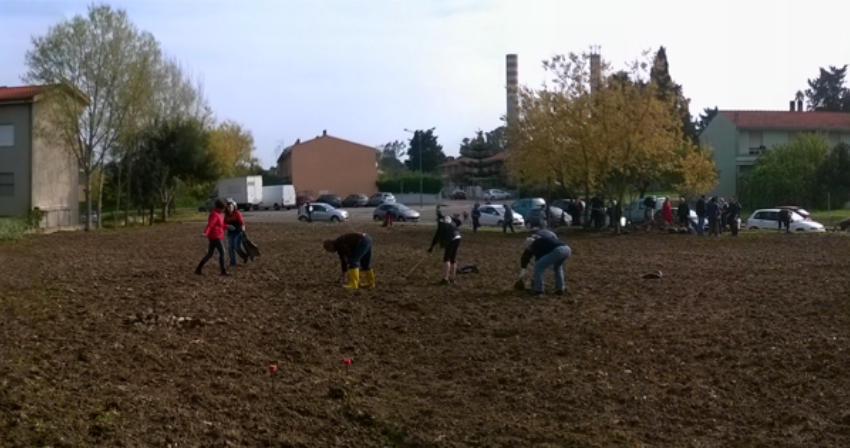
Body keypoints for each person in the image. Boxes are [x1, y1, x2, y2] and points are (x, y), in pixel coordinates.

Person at [519, 231, 572, 296]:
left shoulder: (535, 244)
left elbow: (538, 261)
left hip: (558, 251)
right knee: (558, 268)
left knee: (538, 266)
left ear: (530, 245)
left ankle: (539, 290)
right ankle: (560, 289)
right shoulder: (541, 240)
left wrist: (535, 277)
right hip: (567, 249)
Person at [195, 199, 229, 276]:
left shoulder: (218, 213)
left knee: (210, 254)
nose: (224, 210)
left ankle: (198, 268)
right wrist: (205, 233)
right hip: (215, 236)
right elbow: (210, 225)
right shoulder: (215, 214)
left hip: (215, 236)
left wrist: (227, 226)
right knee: (222, 252)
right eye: (224, 208)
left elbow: (219, 225)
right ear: (220, 208)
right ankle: (223, 271)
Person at [428, 216, 462, 284]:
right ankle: (453, 278)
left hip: (451, 239)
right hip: (458, 237)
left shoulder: (441, 224)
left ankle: (445, 279)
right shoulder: (450, 220)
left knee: (446, 259)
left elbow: (436, 237)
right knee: (453, 259)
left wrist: (431, 247)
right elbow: (459, 222)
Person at [224, 201, 249, 266]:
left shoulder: (237, 213)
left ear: (234, 207)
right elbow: (224, 224)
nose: (230, 208)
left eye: (231, 207)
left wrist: (243, 232)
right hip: (230, 233)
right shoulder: (226, 215)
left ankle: (244, 256)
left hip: (238, 232)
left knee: (236, 247)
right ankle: (233, 262)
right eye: (228, 207)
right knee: (230, 248)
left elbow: (242, 223)